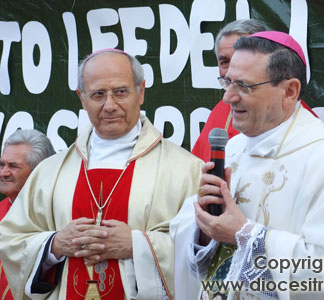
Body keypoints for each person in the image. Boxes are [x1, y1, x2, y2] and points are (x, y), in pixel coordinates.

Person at [187, 31, 324, 299]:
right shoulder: (233, 149)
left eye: (244, 86)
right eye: (227, 82)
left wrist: (243, 234)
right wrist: (206, 226)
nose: (228, 97)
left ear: (289, 91)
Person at [0, 49, 202, 300]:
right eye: (98, 94)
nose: (109, 105)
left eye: (120, 92)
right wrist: (54, 245)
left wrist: (136, 246)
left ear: (141, 91)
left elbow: (203, 252)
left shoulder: (185, 170)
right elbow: (11, 239)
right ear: (82, 99)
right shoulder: (50, 172)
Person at [191, 19, 316, 162]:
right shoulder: (221, 112)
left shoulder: (316, 146)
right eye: (225, 62)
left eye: (243, 60)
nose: (234, 69)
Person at [0, 129, 55, 300]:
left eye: (13, 166)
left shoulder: (55, 216)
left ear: (39, 171)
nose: (3, 173)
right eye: (2, 165)